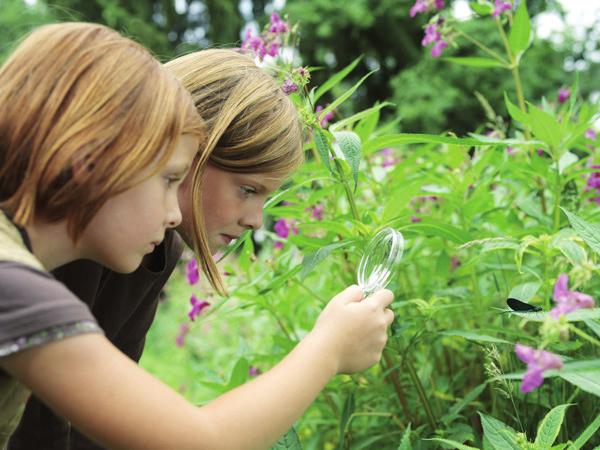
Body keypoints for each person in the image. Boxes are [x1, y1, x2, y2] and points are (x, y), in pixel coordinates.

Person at [6, 48, 395, 449]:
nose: (256, 221)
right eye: (247, 190)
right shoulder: (29, 268)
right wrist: (328, 349)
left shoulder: (142, 249)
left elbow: (97, 426)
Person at [0, 21, 203, 446]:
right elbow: (202, 441)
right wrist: (330, 347)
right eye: (169, 180)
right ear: (88, 159)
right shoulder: (10, 281)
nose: (173, 216)